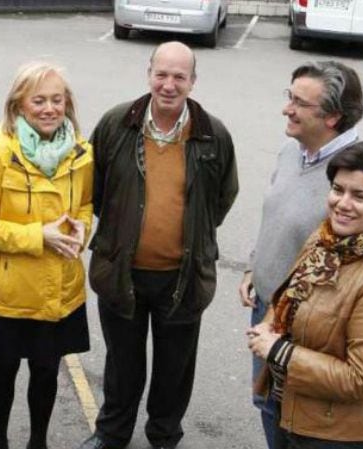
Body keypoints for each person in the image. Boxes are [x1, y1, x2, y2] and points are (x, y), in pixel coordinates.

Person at [78, 41, 238, 449]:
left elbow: (223, 195)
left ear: (193, 81)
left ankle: (164, 434)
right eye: (161, 74)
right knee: (122, 364)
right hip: (122, 271)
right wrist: (121, 230)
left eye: (179, 77)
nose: (169, 85)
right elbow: (93, 187)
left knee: (175, 367)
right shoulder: (117, 123)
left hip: (183, 277)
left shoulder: (213, 134)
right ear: (149, 74)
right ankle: (112, 432)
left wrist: (193, 235)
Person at [248, 139, 363, 449]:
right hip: (293, 412)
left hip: (339, 436)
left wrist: (280, 352)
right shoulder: (325, 238)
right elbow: (292, 293)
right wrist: (271, 321)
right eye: (338, 190)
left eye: (360, 196)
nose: (342, 203)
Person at [0, 61, 93, 449]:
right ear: (19, 105)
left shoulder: (81, 152)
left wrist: (84, 227)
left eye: (57, 99)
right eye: (39, 100)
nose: (49, 108)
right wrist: (39, 236)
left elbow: (84, 205)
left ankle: (38, 441)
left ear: (67, 103)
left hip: (59, 287)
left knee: (46, 371)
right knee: (2, 372)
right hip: (6, 291)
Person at [237, 61, 363, 448]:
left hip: (309, 326)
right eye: (288, 97)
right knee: (267, 405)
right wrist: (254, 266)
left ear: (332, 116)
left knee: (300, 421)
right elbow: (276, 214)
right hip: (266, 309)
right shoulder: (291, 151)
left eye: (298, 102)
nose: (286, 108)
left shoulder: (359, 173)